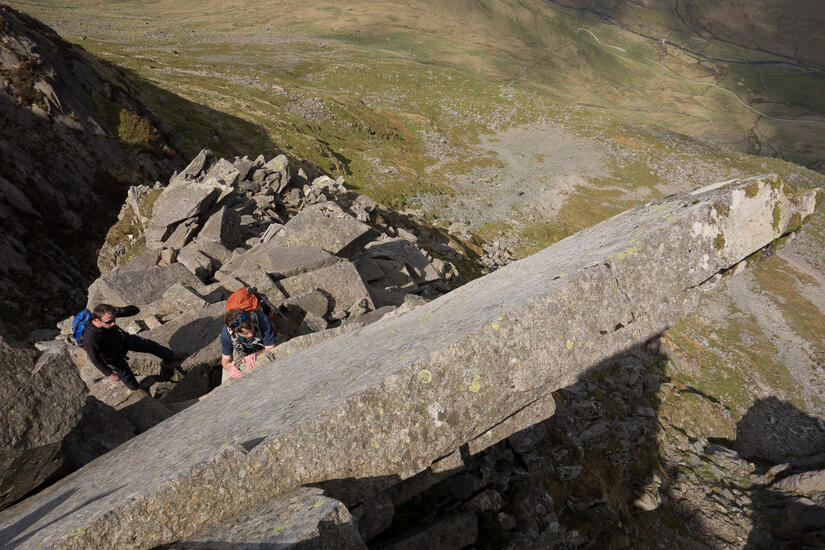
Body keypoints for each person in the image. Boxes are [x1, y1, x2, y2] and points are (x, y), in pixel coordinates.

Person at [82, 303, 185, 390]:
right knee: (127, 375)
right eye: (109, 322)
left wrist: (117, 310)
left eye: (114, 319)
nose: (113, 323)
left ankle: (170, 357)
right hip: (112, 356)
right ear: (96, 321)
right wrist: (110, 374)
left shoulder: (108, 317)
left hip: (123, 340)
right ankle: (137, 391)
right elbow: (95, 359)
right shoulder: (90, 338)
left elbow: (135, 310)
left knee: (150, 345)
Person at [220, 308, 276, 382]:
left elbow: (271, 347)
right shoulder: (226, 334)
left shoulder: (261, 319)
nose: (251, 334)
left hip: (263, 345)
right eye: (245, 334)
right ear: (235, 332)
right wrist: (228, 367)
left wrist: (256, 354)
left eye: (251, 329)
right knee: (233, 373)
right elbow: (226, 359)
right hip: (241, 349)